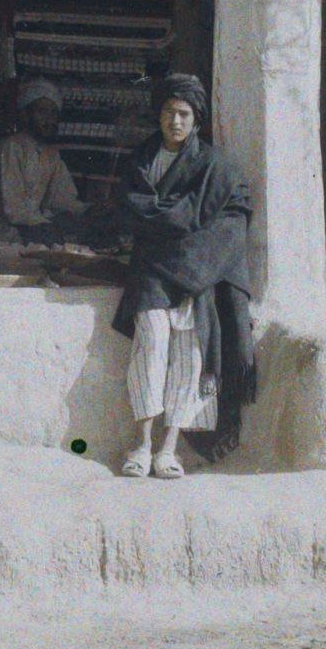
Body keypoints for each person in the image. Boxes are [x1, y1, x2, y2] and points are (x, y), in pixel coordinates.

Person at [111, 74, 256, 479]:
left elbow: (230, 218)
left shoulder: (215, 166)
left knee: (189, 355)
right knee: (152, 342)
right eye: (168, 112)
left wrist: (185, 247)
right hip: (151, 273)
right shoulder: (142, 160)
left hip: (194, 273)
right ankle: (141, 445)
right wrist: (172, 226)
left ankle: (168, 449)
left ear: (196, 120)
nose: (176, 121)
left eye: (184, 114)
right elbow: (130, 208)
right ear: (158, 117)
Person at [0, 77, 85, 245]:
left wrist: (89, 210)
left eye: (53, 113)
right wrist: (47, 225)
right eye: (42, 111)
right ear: (25, 115)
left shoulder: (51, 155)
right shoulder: (11, 147)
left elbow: (62, 200)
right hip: (2, 231)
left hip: (33, 226)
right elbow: (14, 211)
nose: (49, 120)